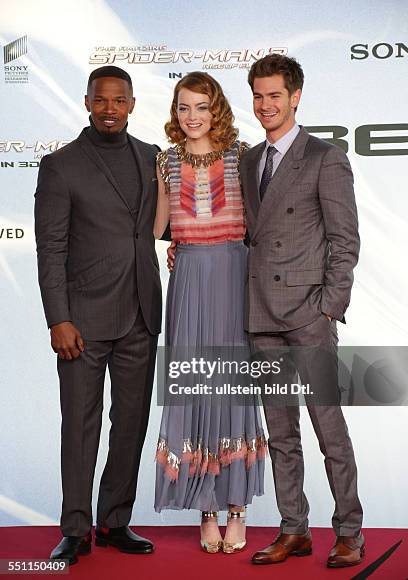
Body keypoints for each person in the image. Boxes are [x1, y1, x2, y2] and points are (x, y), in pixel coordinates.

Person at [239, 54, 364, 569]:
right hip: (262, 315)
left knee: (327, 428)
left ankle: (350, 531)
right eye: (258, 95)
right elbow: (250, 233)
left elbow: (344, 240)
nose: (265, 105)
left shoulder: (324, 157)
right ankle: (294, 529)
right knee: (280, 432)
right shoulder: (249, 161)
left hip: (308, 315)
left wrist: (328, 309)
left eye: (275, 95)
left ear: (295, 97)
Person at [34, 66, 162, 565]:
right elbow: (51, 249)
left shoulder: (152, 158)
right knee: (80, 427)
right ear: (87, 102)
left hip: (140, 314)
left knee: (129, 424)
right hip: (81, 321)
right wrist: (57, 318)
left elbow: (162, 225)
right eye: (101, 100)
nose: (110, 108)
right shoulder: (61, 165)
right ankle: (75, 528)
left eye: (120, 100)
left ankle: (114, 522)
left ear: (131, 104)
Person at [154, 72, 266, 554]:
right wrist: (165, 249)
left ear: (216, 108)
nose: (192, 116)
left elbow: (261, 221)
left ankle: (237, 507)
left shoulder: (242, 156)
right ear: (175, 112)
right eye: (184, 107)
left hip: (233, 275)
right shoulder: (165, 160)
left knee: (233, 389)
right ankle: (206, 509)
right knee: (196, 388)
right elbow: (157, 227)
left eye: (201, 106)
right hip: (189, 282)